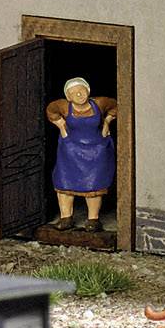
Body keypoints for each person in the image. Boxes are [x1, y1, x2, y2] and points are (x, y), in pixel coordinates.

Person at [46, 76, 117, 231]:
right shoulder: (63, 106)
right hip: (70, 150)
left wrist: (106, 122)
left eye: (81, 90)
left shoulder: (99, 103)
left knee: (94, 185)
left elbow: (115, 106)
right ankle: (66, 218)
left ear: (88, 90)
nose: (79, 94)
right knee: (64, 181)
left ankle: (93, 219)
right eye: (74, 92)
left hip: (96, 150)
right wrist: (61, 126)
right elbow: (51, 110)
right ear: (68, 97)